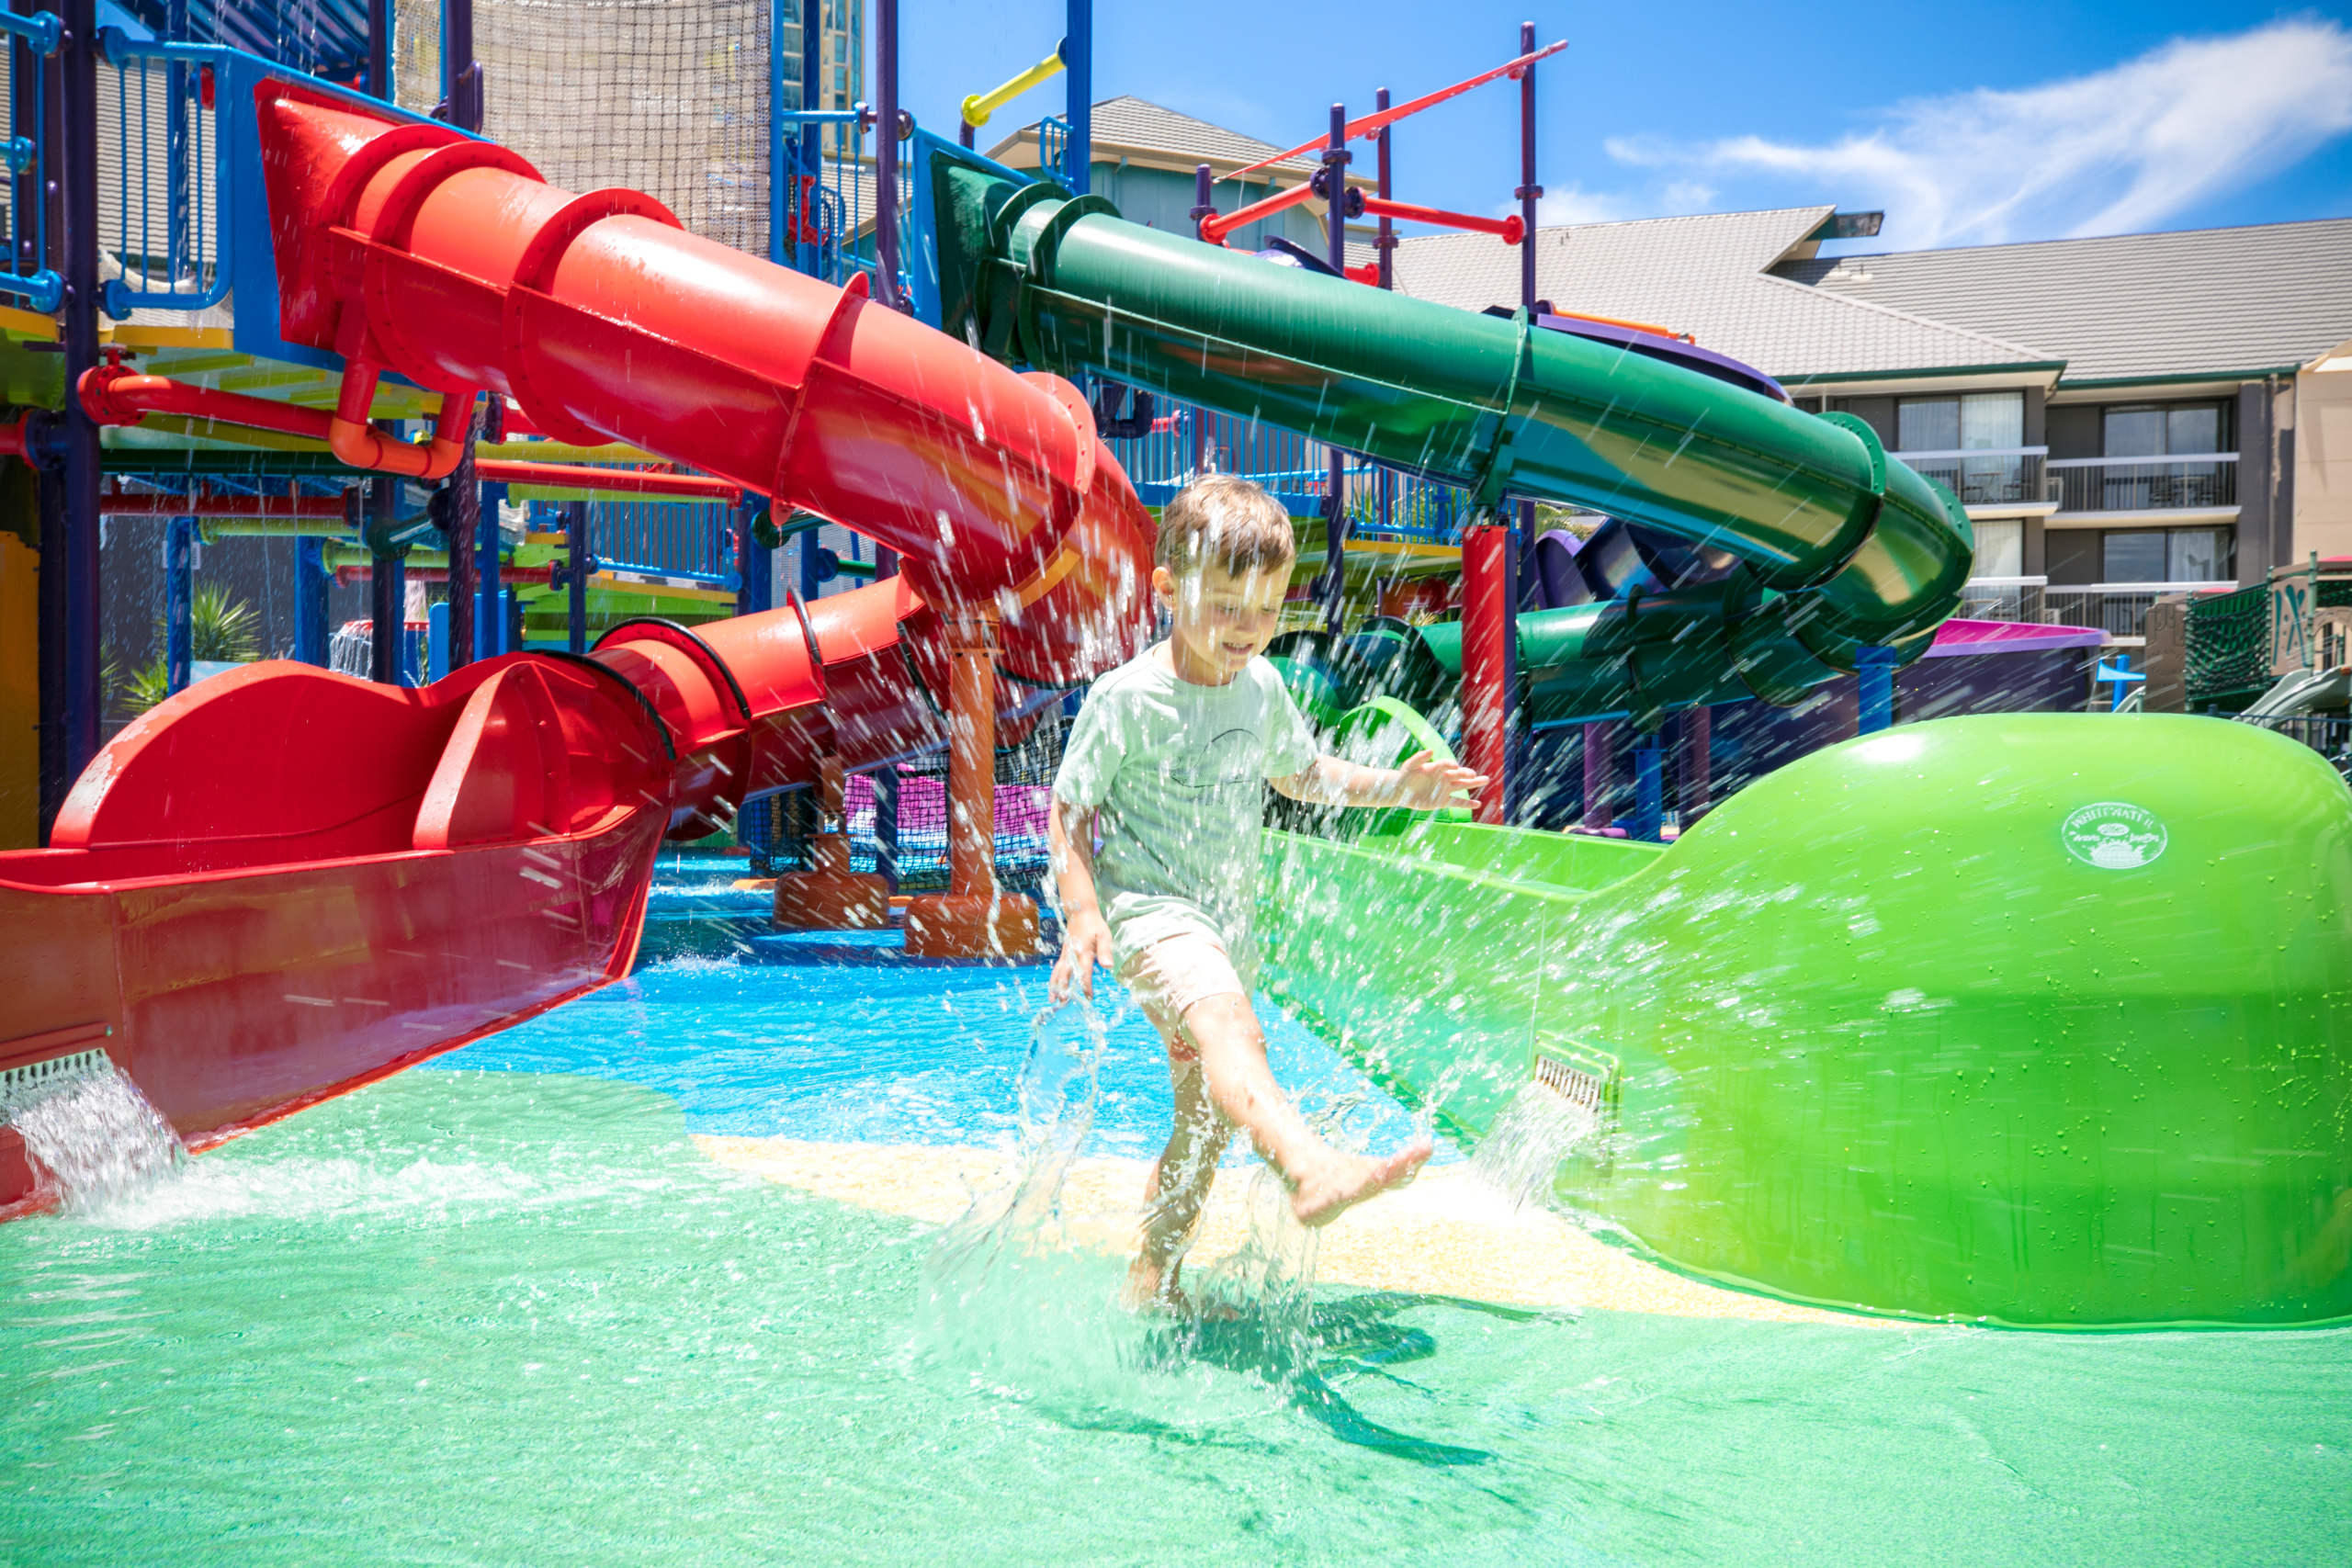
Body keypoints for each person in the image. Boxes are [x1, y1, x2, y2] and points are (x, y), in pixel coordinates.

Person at [1046, 473, 1487, 1314]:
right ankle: (1308, 1163)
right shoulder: (1127, 697)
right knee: (1230, 1026)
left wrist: (1402, 786)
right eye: (1224, 604)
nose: (1246, 628)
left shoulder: (1262, 688)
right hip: (1150, 915)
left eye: (1266, 608)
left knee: (1206, 1120)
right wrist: (1084, 912)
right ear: (1168, 587)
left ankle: (1153, 1275)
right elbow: (1069, 811)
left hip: (1220, 926)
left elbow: (1305, 774)